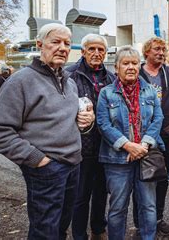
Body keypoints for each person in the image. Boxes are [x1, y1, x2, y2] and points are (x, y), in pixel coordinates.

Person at [0, 23, 95, 239]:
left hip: (73, 165)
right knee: (44, 231)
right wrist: (38, 159)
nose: (62, 48)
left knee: (60, 228)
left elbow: (69, 122)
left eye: (66, 43)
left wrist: (86, 121)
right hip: (46, 170)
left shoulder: (69, 82)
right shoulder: (21, 81)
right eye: (55, 42)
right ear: (40, 44)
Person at [96, 46, 164, 240]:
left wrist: (143, 145)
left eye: (134, 63)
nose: (131, 67)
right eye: (125, 63)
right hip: (117, 160)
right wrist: (128, 145)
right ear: (116, 67)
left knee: (148, 206)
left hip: (146, 156)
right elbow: (103, 123)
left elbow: (158, 119)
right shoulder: (107, 93)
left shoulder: (150, 91)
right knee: (118, 207)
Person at [65, 34, 115, 240]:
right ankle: (78, 234)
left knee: (101, 191)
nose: (96, 53)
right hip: (81, 146)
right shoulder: (69, 75)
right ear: (83, 51)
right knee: (80, 195)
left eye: (100, 50)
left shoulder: (111, 77)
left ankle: (98, 228)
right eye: (92, 49)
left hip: (105, 145)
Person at [139, 37, 169, 236]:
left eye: (164, 49)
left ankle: (158, 218)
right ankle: (140, 222)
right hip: (141, 134)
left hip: (166, 134)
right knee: (141, 178)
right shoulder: (136, 72)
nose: (161, 53)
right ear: (146, 51)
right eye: (157, 49)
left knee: (161, 178)